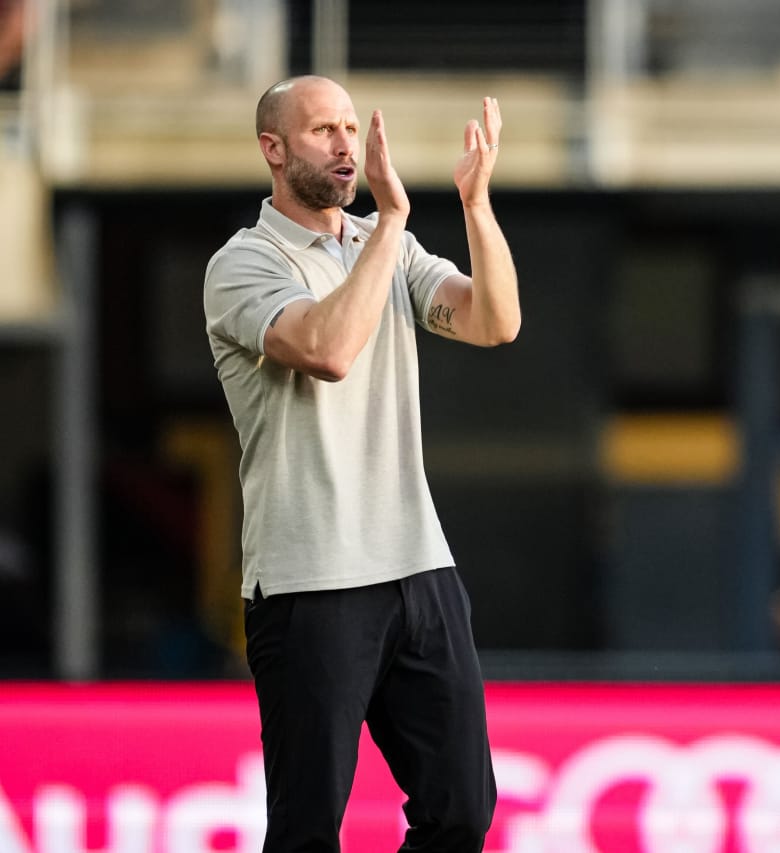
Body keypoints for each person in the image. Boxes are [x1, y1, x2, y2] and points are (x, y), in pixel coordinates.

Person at [203, 75, 520, 852]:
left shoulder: (385, 242)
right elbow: (328, 349)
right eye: (323, 130)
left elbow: (495, 322)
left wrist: (476, 206)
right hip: (310, 582)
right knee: (309, 828)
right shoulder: (243, 264)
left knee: (462, 810)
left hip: (417, 564)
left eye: (351, 126)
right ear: (272, 149)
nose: (346, 145)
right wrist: (390, 225)